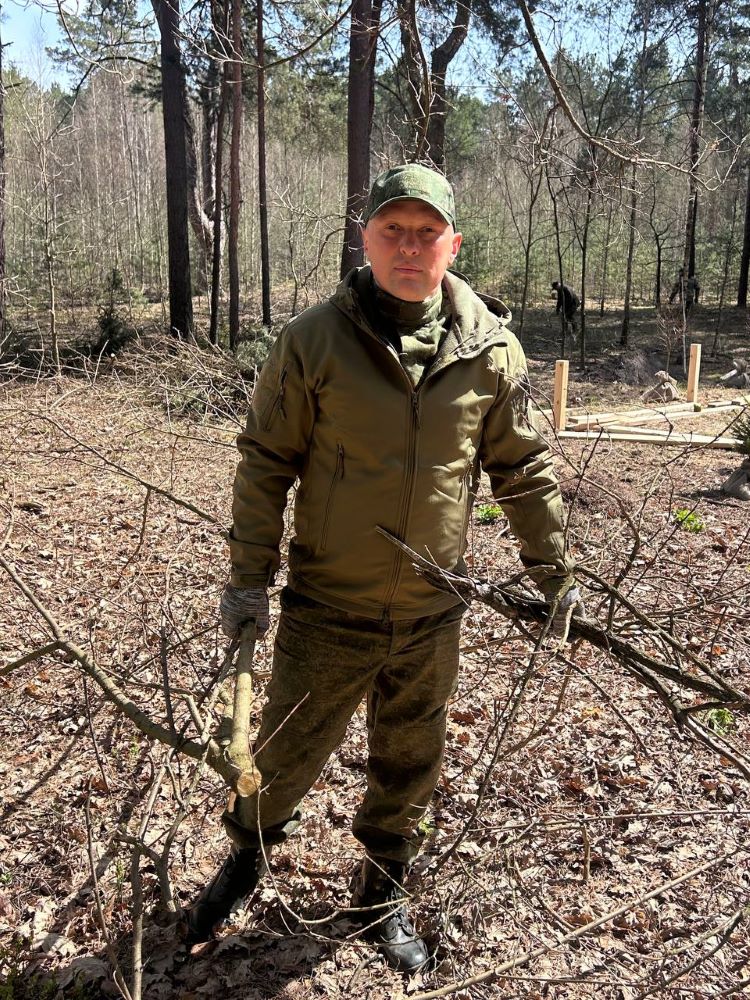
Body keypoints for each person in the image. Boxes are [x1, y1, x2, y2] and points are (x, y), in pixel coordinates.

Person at [184, 164, 580, 971]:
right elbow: (265, 461)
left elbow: (523, 470)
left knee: (410, 762)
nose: (408, 247)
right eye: (392, 230)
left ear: (452, 245)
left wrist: (555, 573)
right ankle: (248, 856)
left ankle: (382, 887)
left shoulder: (491, 351)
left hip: (432, 612)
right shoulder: (313, 340)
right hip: (329, 605)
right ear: (364, 238)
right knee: (283, 754)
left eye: (426, 233)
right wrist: (248, 578)